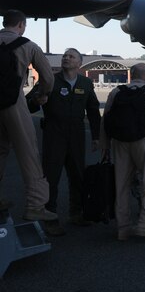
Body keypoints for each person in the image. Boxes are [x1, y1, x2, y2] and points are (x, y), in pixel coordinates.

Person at [27, 48, 101, 235]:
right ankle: (50, 219)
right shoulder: (49, 80)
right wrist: (38, 101)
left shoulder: (85, 83)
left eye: (71, 56)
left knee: (78, 175)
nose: (66, 58)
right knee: (51, 177)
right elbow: (28, 105)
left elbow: (93, 110)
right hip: (54, 134)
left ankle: (75, 213)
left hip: (76, 135)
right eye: (65, 56)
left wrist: (96, 136)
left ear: (79, 63)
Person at [0, 10, 56, 221]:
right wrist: (42, 95)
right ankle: (35, 205)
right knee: (29, 153)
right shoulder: (29, 45)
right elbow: (47, 77)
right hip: (15, 103)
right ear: (21, 25)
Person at [101, 63, 145, 240]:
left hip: (119, 142)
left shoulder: (116, 92)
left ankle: (123, 228)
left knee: (121, 185)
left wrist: (105, 146)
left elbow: (105, 119)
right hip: (143, 140)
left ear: (131, 75)